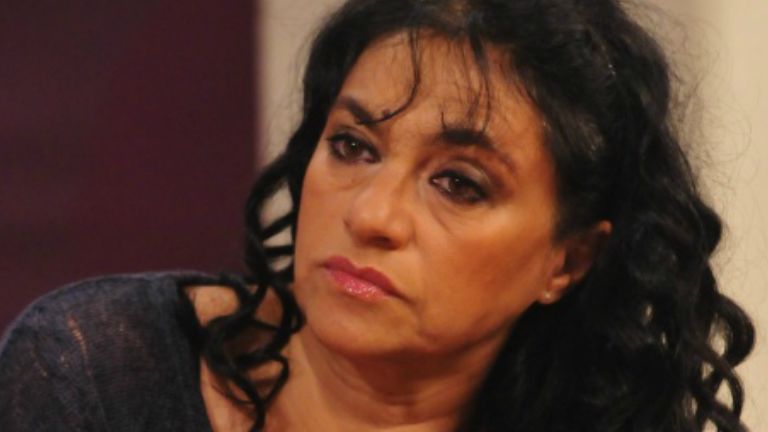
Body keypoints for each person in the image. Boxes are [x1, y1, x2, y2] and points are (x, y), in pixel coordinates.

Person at [0, 0, 756, 431]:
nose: (372, 215)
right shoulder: (92, 376)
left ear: (568, 260)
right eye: (353, 146)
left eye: (458, 184)